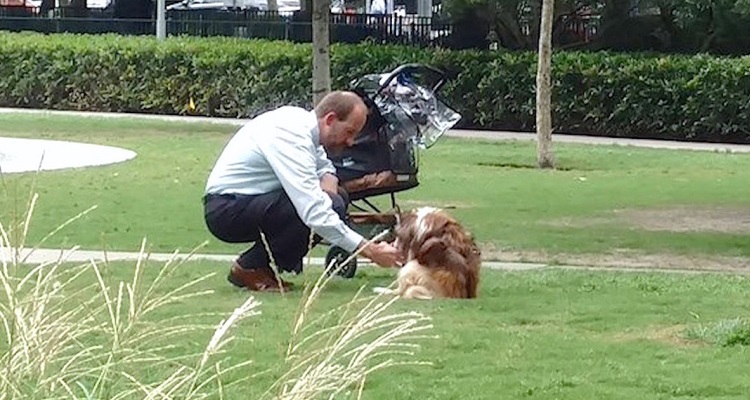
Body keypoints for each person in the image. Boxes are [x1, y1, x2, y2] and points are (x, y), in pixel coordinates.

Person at [203, 91, 403, 292]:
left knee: (336, 200)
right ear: (330, 119)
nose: (351, 142)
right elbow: (313, 211)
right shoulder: (290, 136)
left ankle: (260, 267)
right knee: (325, 207)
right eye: (349, 132)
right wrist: (371, 250)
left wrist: (330, 189)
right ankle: (249, 267)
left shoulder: (303, 125)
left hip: (246, 201)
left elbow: (324, 167)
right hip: (226, 210)